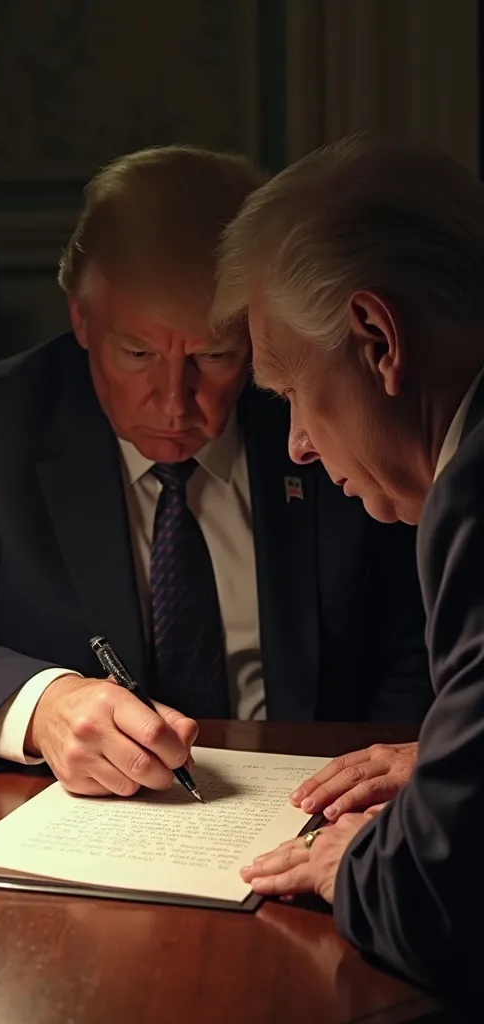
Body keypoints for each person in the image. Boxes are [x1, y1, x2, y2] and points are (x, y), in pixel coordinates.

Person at [0, 145, 430, 801]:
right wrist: (43, 706)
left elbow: (411, 639)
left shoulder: (331, 423)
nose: (176, 401)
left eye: (216, 355)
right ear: (81, 318)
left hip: (317, 810)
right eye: (138, 351)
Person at [213, 133, 484, 995]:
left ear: (376, 338)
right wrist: (451, 757)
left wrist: (351, 863)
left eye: (291, 389)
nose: (294, 445)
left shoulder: (474, 497)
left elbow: (437, 904)